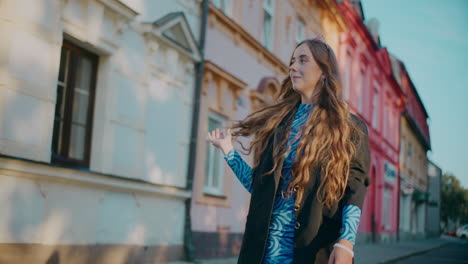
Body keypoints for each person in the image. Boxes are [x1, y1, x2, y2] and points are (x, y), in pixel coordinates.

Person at [207, 35, 370, 264]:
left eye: (303, 60)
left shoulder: (349, 127)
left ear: (324, 71)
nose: (293, 66)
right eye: (292, 61)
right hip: (263, 253)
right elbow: (260, 188)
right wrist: (228, 151)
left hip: (312, 250)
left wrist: (346, 241)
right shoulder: (280, 125)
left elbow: (355, 187)